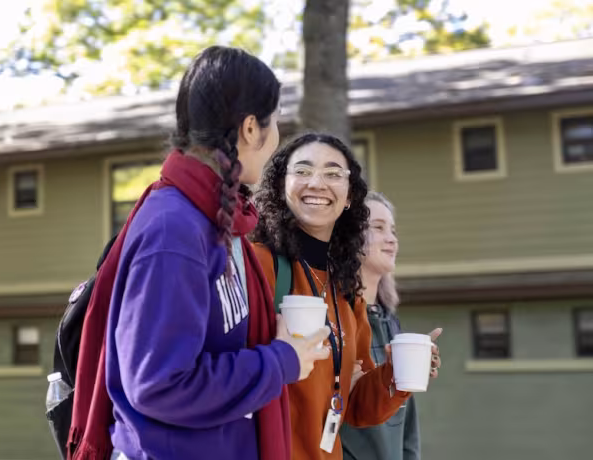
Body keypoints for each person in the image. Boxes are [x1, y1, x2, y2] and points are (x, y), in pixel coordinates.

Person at [68, 47, 331, 460]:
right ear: (249, 128)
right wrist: (279, 361)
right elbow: (160, 384)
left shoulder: (218, 219)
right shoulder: (175, 229)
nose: (277, 138)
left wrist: (271, 339)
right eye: (276, 121)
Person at [251, 133, 411, 460]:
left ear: (349, 196)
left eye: (333, 173)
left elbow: (355, 407)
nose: (317, 183)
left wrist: (397, 373)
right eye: (303, 171)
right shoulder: (257, 265)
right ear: (282, 186)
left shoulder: (347, 293)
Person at [340, 191, 442, 460]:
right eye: (378, 227)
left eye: (393, 230)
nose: (392, 239)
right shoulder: (337, 319)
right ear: (349, 238)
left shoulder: (391, 324)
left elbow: (407, 426)